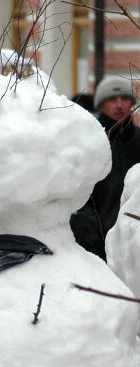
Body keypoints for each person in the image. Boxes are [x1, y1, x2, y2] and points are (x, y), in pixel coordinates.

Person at [70, 74, 140, 260]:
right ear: (100, 104)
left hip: (134, 239)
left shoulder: (138, 141)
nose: (119, 104)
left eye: (125, 98)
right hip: (94, 242)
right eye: (112, 99)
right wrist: (81, 219)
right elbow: (73, 186)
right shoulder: (87, 140)